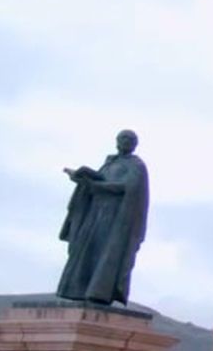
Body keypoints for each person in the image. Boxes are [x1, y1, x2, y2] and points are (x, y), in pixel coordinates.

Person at [58, 129, 149, 306]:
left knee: (105, 253)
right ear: (117, 141)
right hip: (95, 210)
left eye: (130, 140)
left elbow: (129, 187)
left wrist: (98, 186)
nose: (126, 142)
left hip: (115, 216)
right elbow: (101, 179)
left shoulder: (136, 165)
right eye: (123, 139)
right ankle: (77, 290)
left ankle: (97, 292)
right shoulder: (110, 163)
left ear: (135, 144)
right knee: (84, 250)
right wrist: (81, 177)